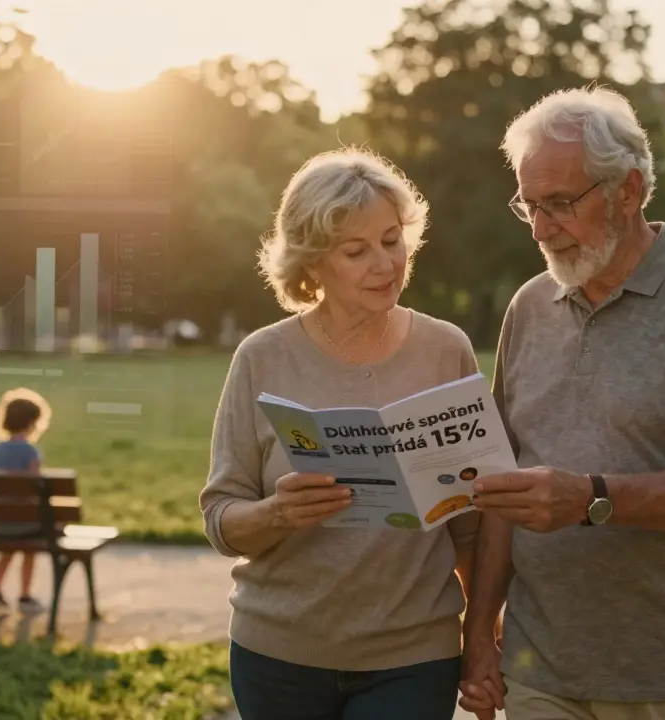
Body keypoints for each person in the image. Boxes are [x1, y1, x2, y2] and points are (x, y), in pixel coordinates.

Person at [458, 86, 665, 720]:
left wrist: (589, 499)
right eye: (529, 206)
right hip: (540, 669)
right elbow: (501, 490)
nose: (542, 229)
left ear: (628, 191)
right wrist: (478, 638)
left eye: (561, 203)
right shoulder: (529, 306)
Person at [198, 147, 483, 720]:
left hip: (415, 655)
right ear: (312, 264)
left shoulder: (446, 350)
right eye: (356, 251)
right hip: (278, 655)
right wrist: (278, 514)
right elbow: (221, 519)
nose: (385, 263)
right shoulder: (262, 357)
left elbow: (472, 525)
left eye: (391, 240)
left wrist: (481, 640)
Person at [0, 387, 52, 615]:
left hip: (0, 523)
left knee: (8, 549)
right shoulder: (31, 453)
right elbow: (36, 489)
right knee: (29, 549)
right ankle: (25, 595)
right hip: (26, 525)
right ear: (32, 423)